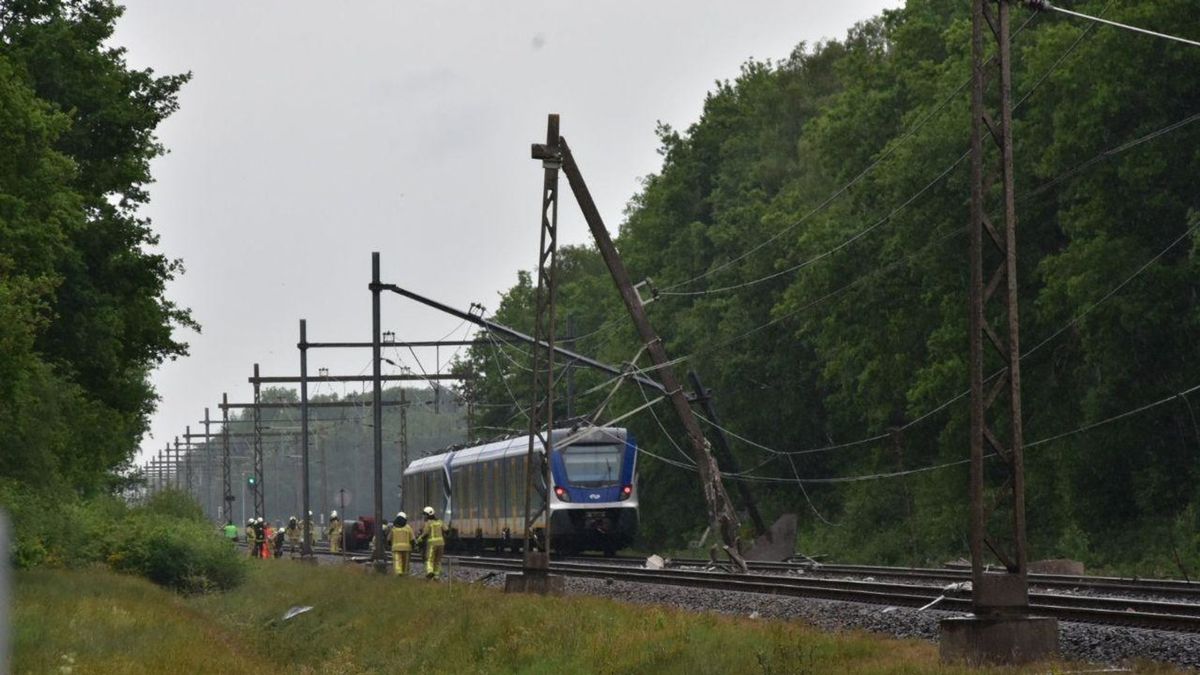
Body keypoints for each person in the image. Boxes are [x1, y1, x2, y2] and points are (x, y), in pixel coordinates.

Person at [415, 506, 444, 579]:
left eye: (425, 515)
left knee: (429, 559)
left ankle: (430, 572)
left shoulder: (428, 523)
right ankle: (436, 576)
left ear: (428, 515)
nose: (425, 517)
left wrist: (418, 540)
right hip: (441, 543)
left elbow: (425, 534)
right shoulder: (440, 521)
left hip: (432, 544)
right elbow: (446, 530)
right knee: (438, 560)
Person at [389, 512, 414, 576]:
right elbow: (412, 539)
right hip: (407, 548)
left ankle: (398, 573)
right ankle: (405, 574)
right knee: (405, 563)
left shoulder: (394, 528)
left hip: (396, 548)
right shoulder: (408, 527)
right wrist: (413, 546)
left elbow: (389, 539)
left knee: (397, 561)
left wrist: (390, 545)